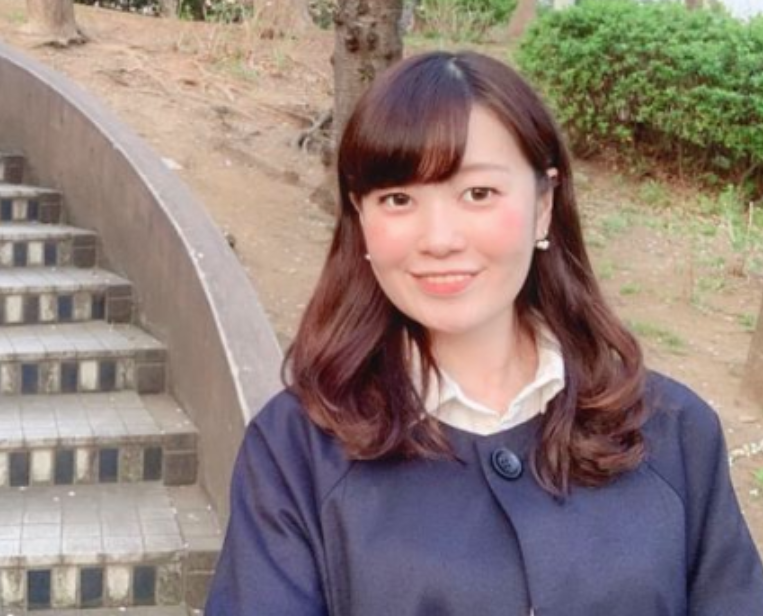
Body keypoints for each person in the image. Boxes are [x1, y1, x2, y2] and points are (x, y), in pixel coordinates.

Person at [205, 50, 763, 616]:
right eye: (398, 199)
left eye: (478, 194)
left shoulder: (672, 430)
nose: (439, 239)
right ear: (361, 218)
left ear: (543, 205)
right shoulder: (294, 451)